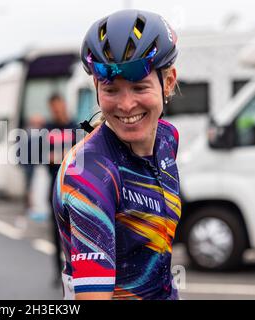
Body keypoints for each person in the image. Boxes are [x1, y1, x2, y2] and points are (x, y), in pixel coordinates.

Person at [52, 9, 181, 300]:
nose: (126, 104)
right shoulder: (89, 176)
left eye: (139, 87)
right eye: (112, 89)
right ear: (97, 87)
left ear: (168, 82)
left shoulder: (167, 138)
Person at [45, 93, 77, 286]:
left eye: (59, 106)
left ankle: (77, 268)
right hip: (55, 185)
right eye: (53, 108)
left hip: (74, 186)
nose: (57, 111)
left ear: (64, 105)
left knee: (75, 229)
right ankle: (60, 271)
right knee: (56, 230)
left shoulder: (75, 127)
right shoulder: (47, 130)